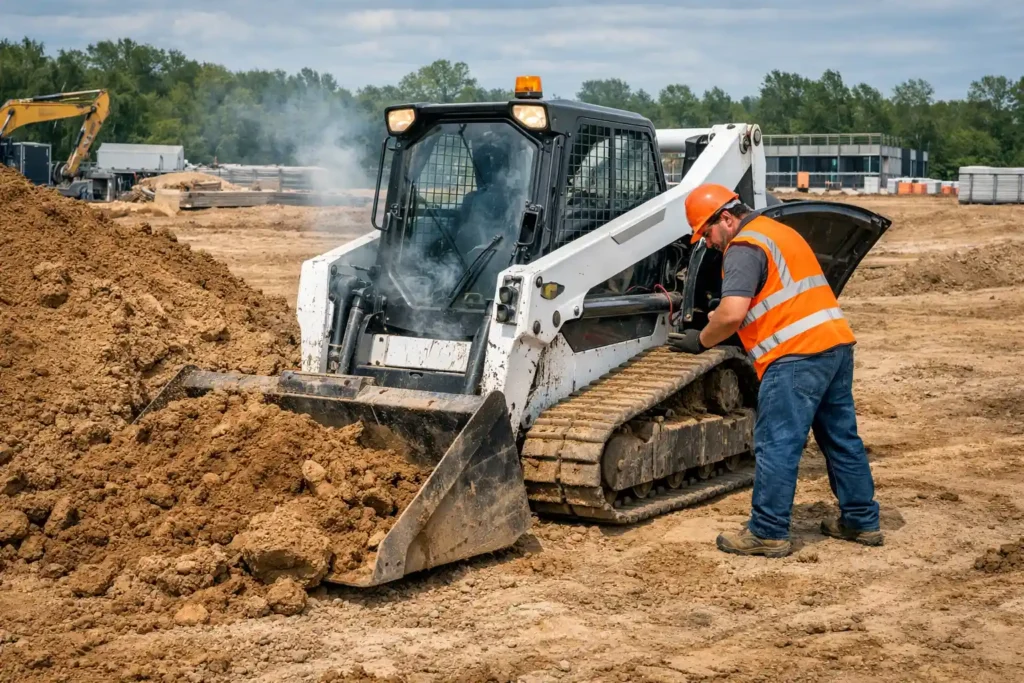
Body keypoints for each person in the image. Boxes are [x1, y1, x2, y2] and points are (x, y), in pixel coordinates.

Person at [668, 183, 881, 557]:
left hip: (795, 355)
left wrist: (701, 339)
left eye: (707, 232)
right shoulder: (779, 232)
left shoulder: (744, 246)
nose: (709, 243)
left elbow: (733, 313)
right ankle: (861, 521)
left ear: (727, 218)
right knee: (841, 439)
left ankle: (767, 531)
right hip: (835, 345)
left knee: (777, 444)